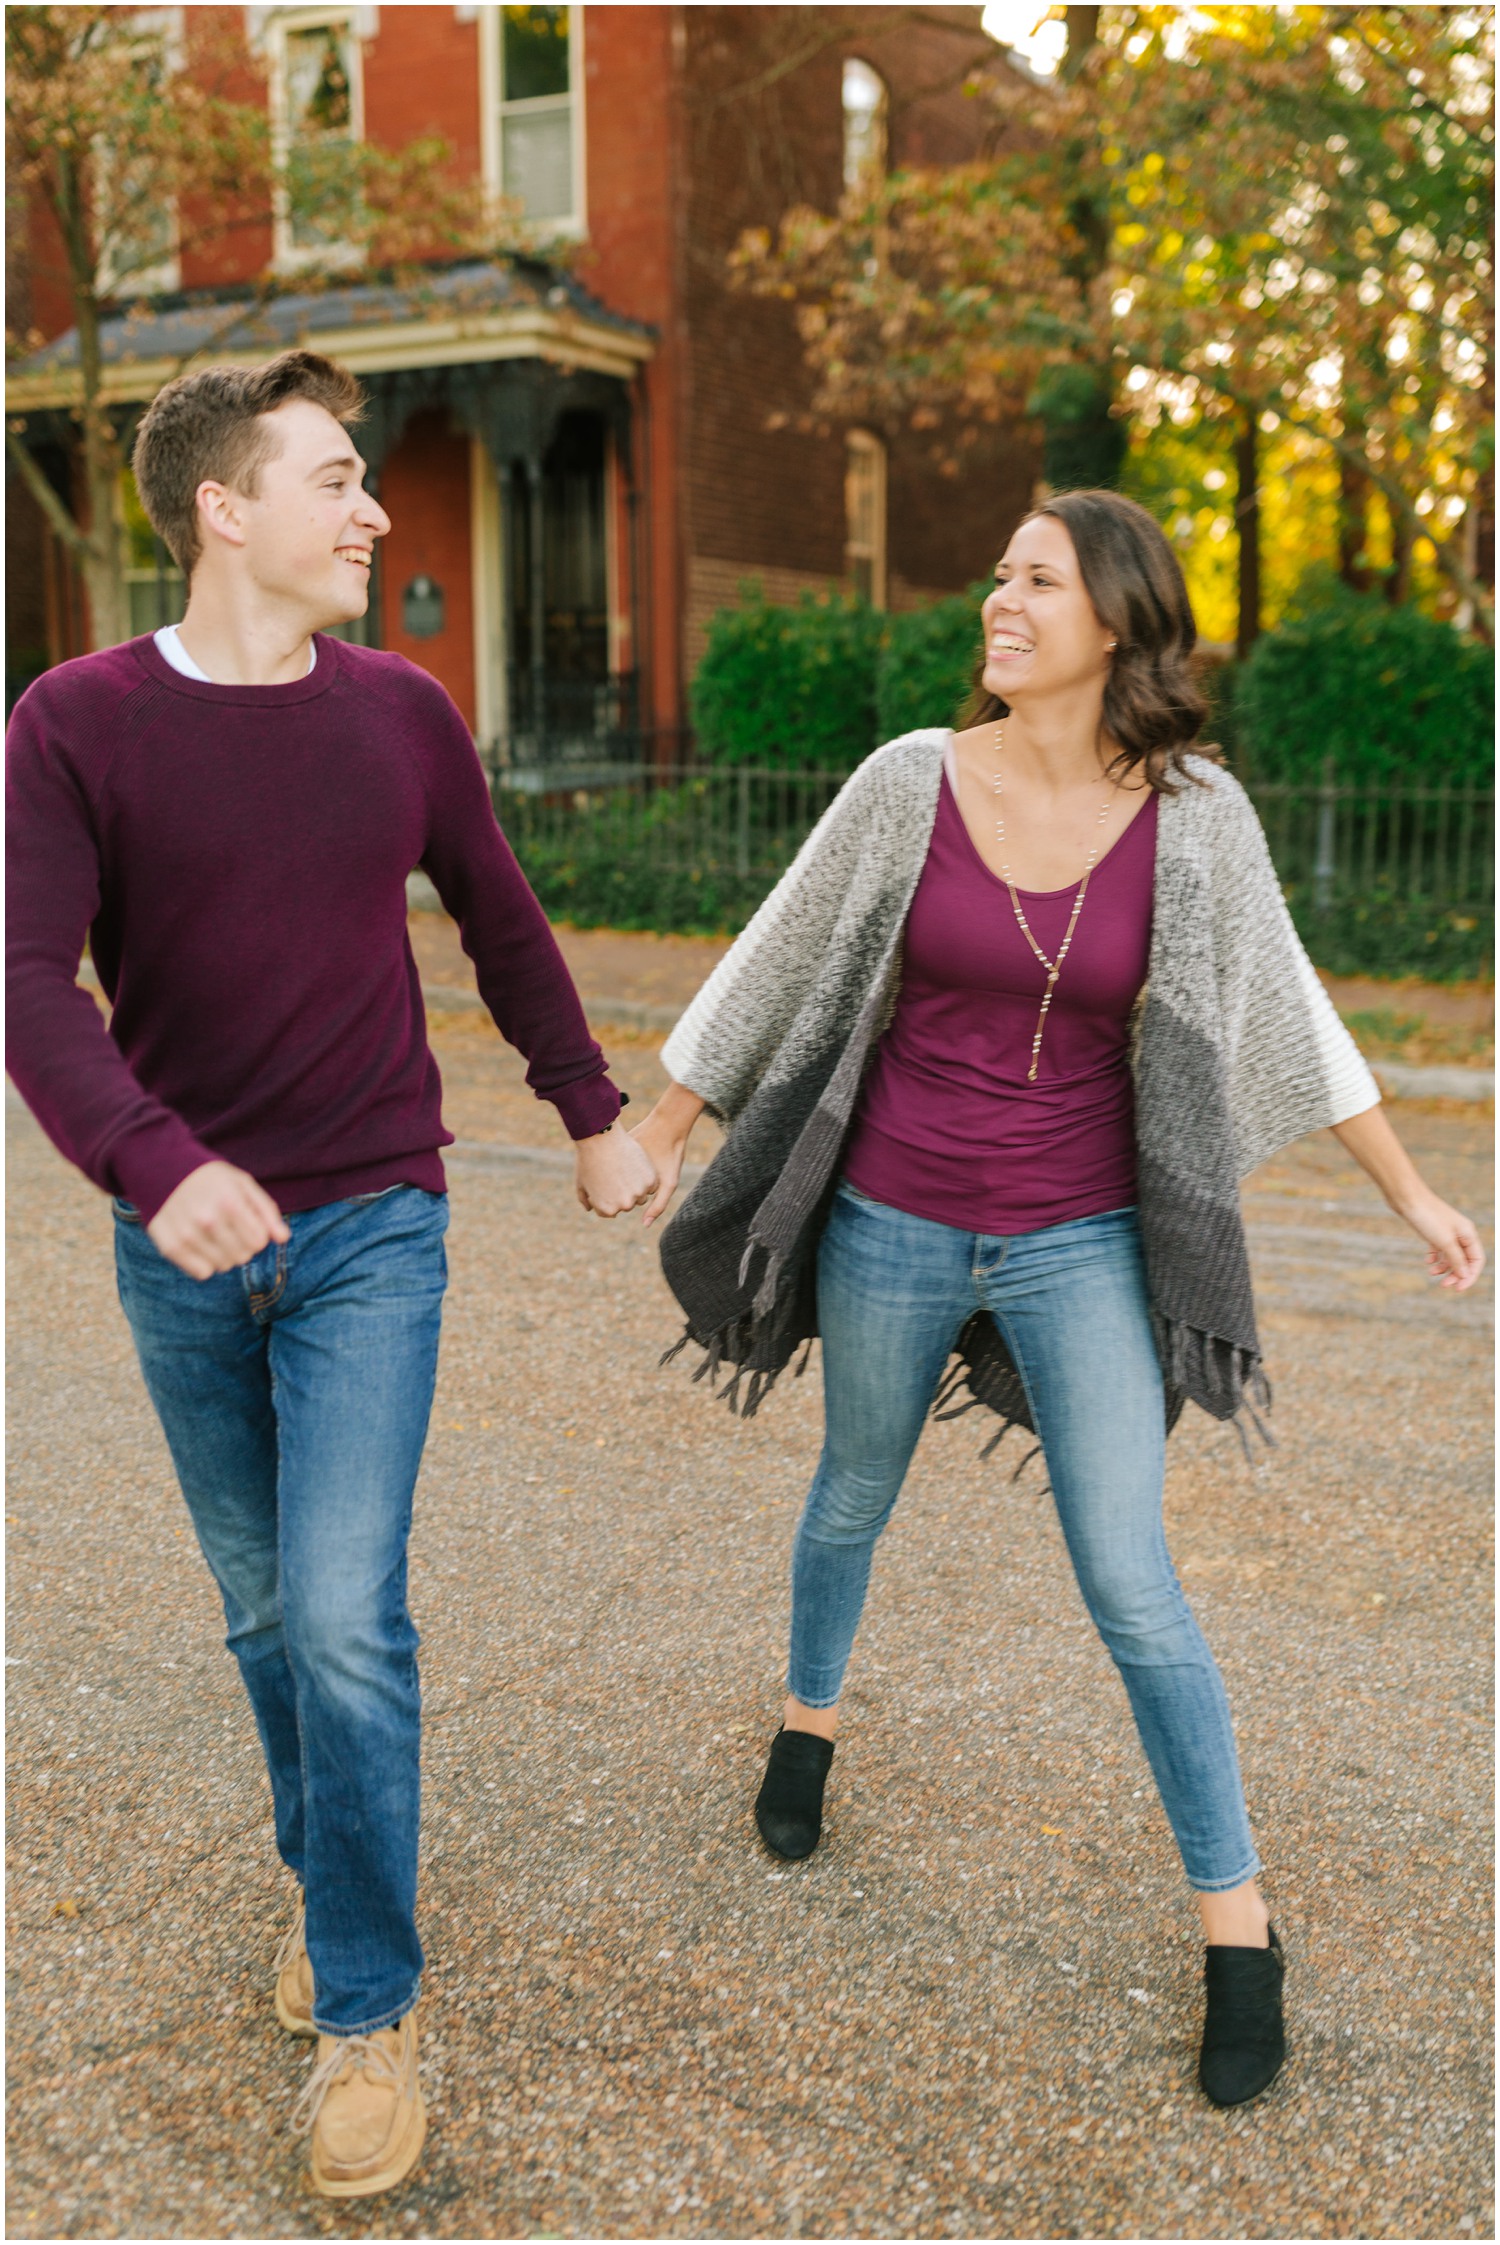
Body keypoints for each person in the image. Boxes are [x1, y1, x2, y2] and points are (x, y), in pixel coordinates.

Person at [626, 489, 1484, 2110]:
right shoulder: (909, 782)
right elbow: (778, 947)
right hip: (888, 1214)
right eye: (1000, 578)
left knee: (1131, 1575)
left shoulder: (1198, 816)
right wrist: (662, 1129)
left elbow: (1285, 1002)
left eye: (1036, 580)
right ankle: (808, 1721)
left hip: (1082, 1234)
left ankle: (1240, 1924)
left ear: (1114, 621)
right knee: (851, 1493)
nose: (999, 602)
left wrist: (1417, 1190)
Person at [5, 349, 656, 2199]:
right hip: (185, 1247)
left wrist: (592, 1109)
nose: (375, 510)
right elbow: (28, 987)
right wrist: (153, 1162)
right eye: (338, 479)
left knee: (348, 1609)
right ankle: (327, 1871)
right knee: (265, 1609)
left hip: (376, 1216)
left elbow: (504, 917)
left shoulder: (404, 716)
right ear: (224, 509)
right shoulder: (73, 721)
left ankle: (369, 2005)